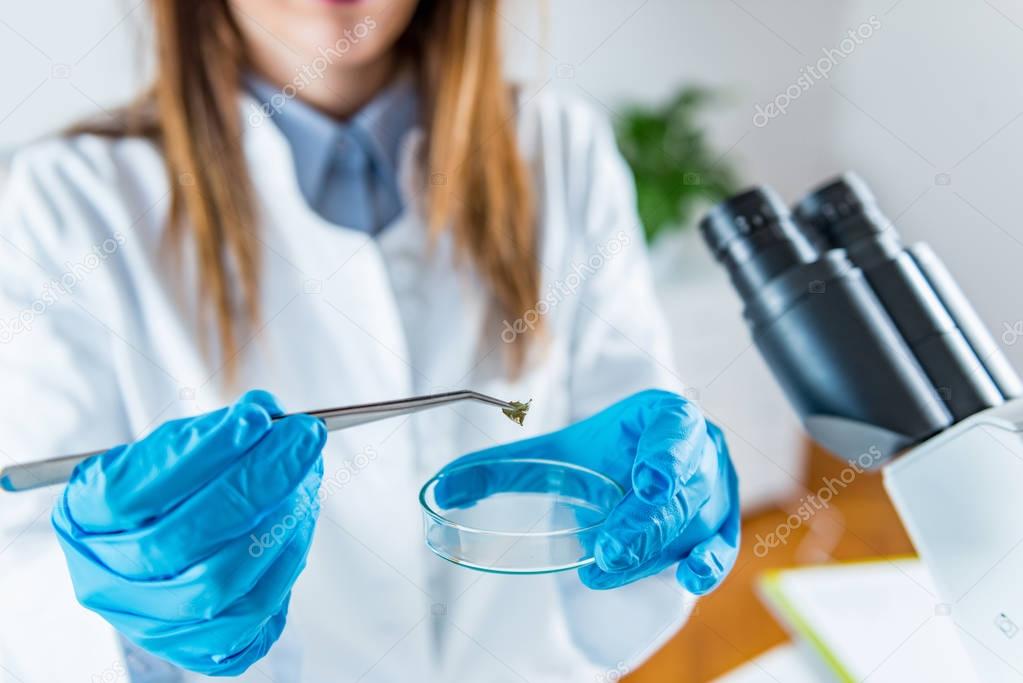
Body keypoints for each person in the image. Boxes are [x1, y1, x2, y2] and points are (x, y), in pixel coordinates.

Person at [0, 0, 739, 680]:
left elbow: (643, 466)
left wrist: (671, 502)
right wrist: (123, 607)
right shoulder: (68, 200)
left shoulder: (561, 150)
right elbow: (23, 575)